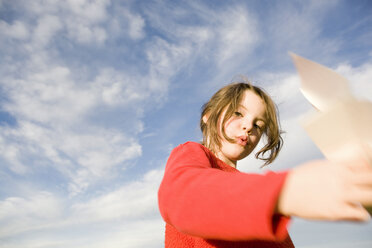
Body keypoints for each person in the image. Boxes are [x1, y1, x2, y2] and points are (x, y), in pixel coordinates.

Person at [158, 81, 372, 248]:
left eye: (258, 125)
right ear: (208, 116)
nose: (248, 127)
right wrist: (284, 191)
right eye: (238, 113)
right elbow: (182, 196)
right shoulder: (192, 154)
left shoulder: (248, 189)